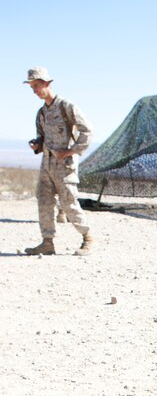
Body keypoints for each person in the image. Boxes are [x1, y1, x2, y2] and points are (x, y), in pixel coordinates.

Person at [23, 67, 94, 257]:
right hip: (46, 165)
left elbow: (87, 130)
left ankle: (88, 239)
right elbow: (42, 138)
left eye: (37, 86)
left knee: (69, 203)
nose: (35, 91)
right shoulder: (41, 113)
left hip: (65, 167)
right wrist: (36, 145)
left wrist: (72, 150)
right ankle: (47, 243)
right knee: (44, 202)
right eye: (32, 88)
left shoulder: (66, 106)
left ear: (47, 83)